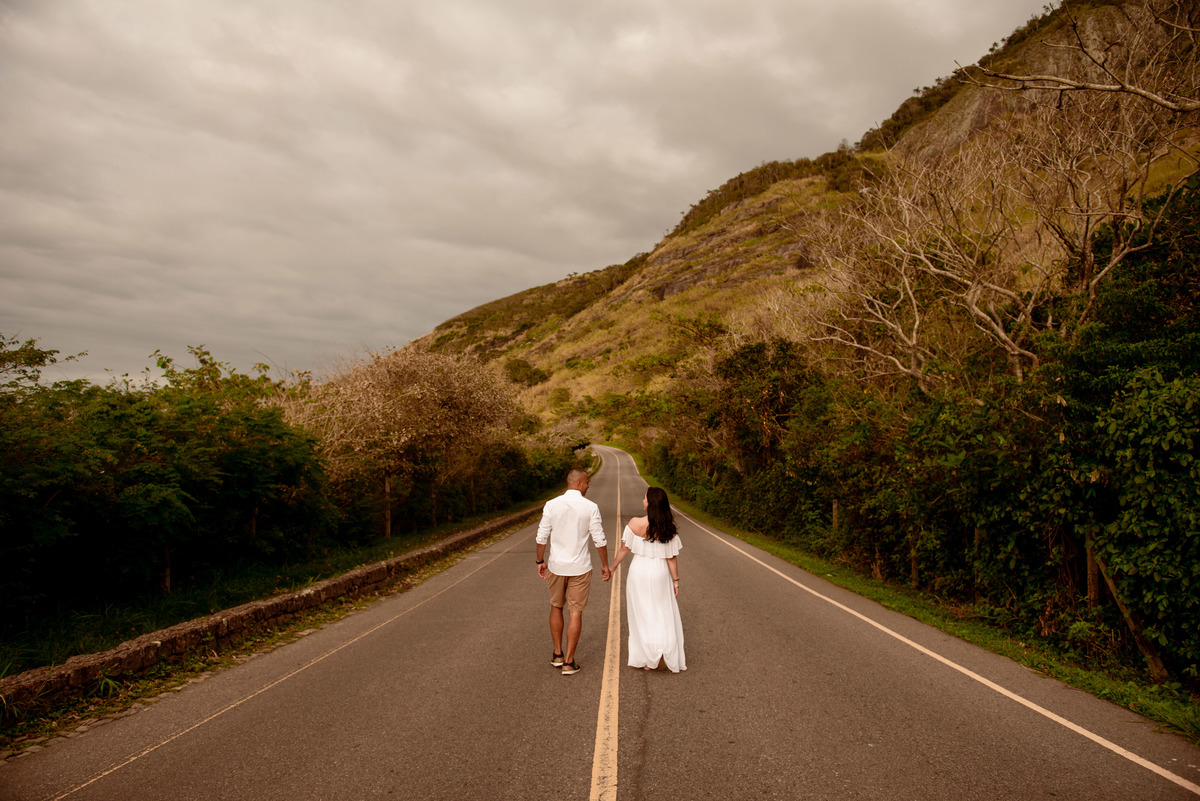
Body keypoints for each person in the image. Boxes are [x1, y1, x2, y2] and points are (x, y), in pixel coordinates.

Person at [535, 468, 610, 675]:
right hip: (580, 568)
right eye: (586, 482)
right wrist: (605, 564)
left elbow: (542, 536)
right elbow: (599, 540)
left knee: (556, 607)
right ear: (578, 483)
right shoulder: (591, 507)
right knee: (575, 612)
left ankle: (557, 654)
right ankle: (569, 662)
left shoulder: (551, 505)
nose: (588, 486)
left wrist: (540, 561)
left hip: (557, 566)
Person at [606, 486, 685, 672]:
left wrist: (612, 567)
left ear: (650, 503)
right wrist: (676, 580)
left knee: (642, 613)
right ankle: (663, 651)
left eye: (645, 498)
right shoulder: (668, 528)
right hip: (660, 572)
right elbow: (671, 557)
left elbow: (624, 549)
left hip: (639, 571)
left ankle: (648, 657)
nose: (643, 501)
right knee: (661, 612)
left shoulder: (635, 523)